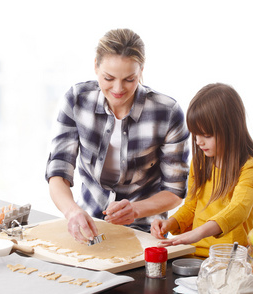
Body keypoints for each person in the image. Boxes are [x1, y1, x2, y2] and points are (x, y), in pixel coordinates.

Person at [46, 28, 190, 244]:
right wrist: (72, 212)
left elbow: (175, 191)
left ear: (141, 70)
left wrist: (135, 209)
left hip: (145, 232)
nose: (118, 89)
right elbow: (58, 172)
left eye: (129, 79)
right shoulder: (77, 100)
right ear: (96, 65)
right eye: (109, 78)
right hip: (88, 226)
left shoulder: (167, 113)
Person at [150, 83, 253, 257]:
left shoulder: (250, 168)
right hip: (192, 254)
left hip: (228, 259)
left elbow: (238, 210)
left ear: (231, 131)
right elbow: (191, 206)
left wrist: (197, 233)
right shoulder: (200, 162)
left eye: (207, 135)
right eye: (195, 134)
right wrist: (170, 223)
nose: (198, 142)